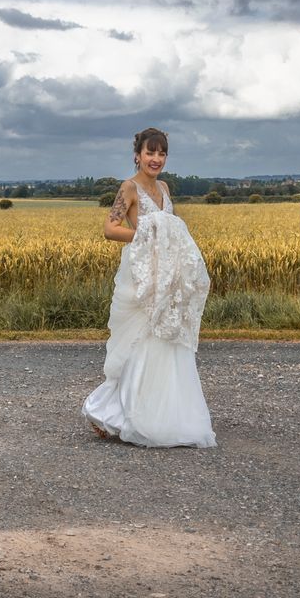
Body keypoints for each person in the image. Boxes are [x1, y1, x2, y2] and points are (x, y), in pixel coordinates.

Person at [82, 128, 216, 448]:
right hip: (141, 274)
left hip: (166, 276)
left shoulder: (165, 188)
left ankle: (167, 414)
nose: (156, 159)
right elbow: (110, 229)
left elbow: (174, 231)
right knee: (141, 340)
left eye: (161, 153)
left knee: (167, 340)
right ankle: (118, 412)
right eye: (150, 152)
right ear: (137, 155)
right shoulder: (129, 188)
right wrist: (146, 236)